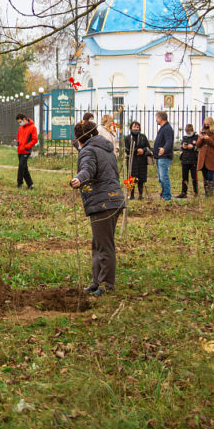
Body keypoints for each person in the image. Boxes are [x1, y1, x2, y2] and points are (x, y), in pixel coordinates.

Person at [70, 120, 124, 297]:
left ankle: (106, 284)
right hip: (113, 201)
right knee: (99, 243)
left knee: (104, 245)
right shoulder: (106, 148)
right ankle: (96, 282)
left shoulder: (88, 150)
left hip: (103, 203)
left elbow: (88, 168)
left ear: (80, 138)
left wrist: (79, 178)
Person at [124, 121, 151, 200]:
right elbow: (127, 149)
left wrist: (143, 150)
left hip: (142, 161)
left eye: (137, 127)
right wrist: (136, 150)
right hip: (132, 160)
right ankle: (131, 195)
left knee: (141, 178)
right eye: (134, 127)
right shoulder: (128, 138)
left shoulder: (143, 137)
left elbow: (148, 147)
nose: (136, 128)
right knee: (132, 178)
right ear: (131, 128)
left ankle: (140, 195)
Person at [151, 111, 174, 201]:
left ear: (161, 118)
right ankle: (164, 194)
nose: (156, 120)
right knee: (161, 178)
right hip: (160, 156)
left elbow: (169, 141)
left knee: (164, 177)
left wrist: (164, 149)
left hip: (164, 157)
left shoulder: (167, 128)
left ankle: (167, 196)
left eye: (157, 118)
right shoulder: (163, 128)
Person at [196, 117, 214, 197]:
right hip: (203, 156)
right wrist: (201, 138)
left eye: (207, 124)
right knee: (205, 176)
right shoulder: (202, 132)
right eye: (205, 124)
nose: (206, 126)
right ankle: (206, 193)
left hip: (210, 156)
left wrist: (208, 139)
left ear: (211, 124)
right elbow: (198, 145)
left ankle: (210, 193)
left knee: (210, 176)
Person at [15, 113, 38, 189]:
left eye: (20, 122)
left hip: (26, 151)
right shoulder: (20, 128)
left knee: (21, 166)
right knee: (24, 168)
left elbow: (35, 140)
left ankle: (19, 184)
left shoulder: (32, 127)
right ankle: (30, 185)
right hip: (20, 151)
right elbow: (18, 138)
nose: (19, 124)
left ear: (24, 119)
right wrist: (17, 142)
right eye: (18, 123)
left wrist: (26, 146)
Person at [176, 124, 199, 199]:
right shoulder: (185, 138)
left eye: (189, 132)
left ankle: (196, 192)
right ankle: (184, 192)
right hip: (185, 160)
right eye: (187, 132)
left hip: (193, 160)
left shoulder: (196, 137)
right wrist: (183, 146)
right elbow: (181, 146)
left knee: (194, 177)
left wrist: (193, 147)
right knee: (184, 177)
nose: (188, 134)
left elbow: (199, 148)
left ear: (192, 130)